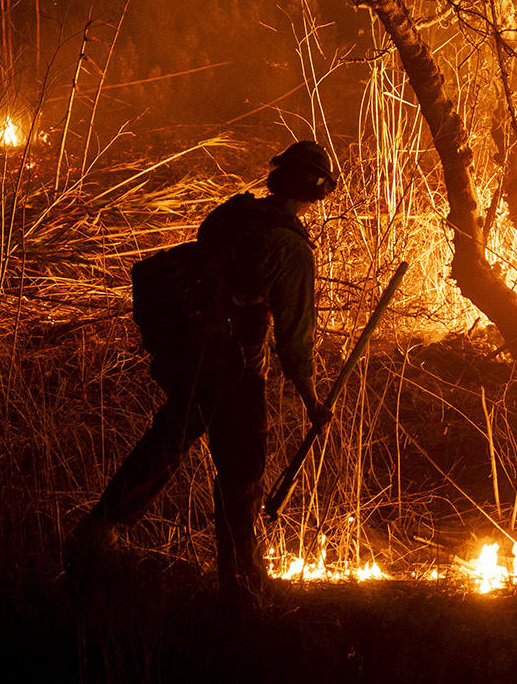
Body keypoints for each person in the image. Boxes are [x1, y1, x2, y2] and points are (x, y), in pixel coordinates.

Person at [67, 141, 335, 603]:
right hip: (233, 366)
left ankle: (98, 531)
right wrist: (312, 398)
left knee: (168, 439)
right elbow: (295, 335)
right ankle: (243, 578)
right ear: (317, 192)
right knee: (242, 466)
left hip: (193, 354)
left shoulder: (235, 214)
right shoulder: (290, 249)